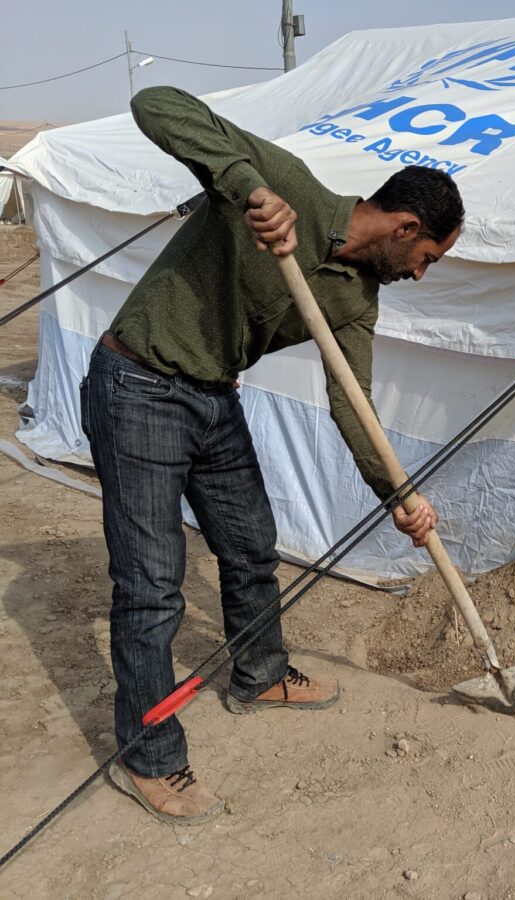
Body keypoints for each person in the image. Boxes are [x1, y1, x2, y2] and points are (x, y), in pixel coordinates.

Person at [79, 86, 463, 825]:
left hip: (214, 398)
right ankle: (149, 756)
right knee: (153, 585)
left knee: (252, 546)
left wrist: (400, 497)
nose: (421, 273)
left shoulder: (356, 298)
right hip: (137, 384)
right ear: (405, 225)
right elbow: (154, 103)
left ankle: (256, 674)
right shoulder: (286, 185)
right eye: (426, 257)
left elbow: (355, 403)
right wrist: (247, 186)